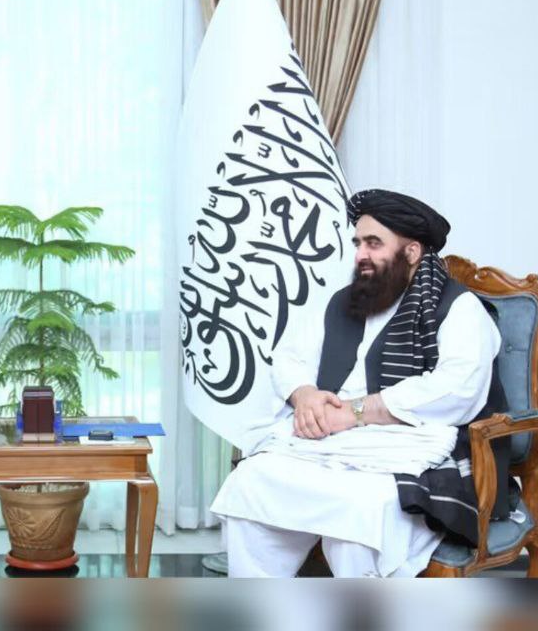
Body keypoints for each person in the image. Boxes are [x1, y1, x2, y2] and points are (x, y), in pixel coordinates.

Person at [211, 189, 512, 577]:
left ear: (412, 252)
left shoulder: (459, 309)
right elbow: (289, 357)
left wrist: (356, 412)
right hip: (334, 440)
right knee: (253, 481)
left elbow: (457, 389)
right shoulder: (342, 301)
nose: (360, 255)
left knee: (358, 509)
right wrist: (305, 396)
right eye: (357, 243)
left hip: (416, 444)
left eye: (374, 243)